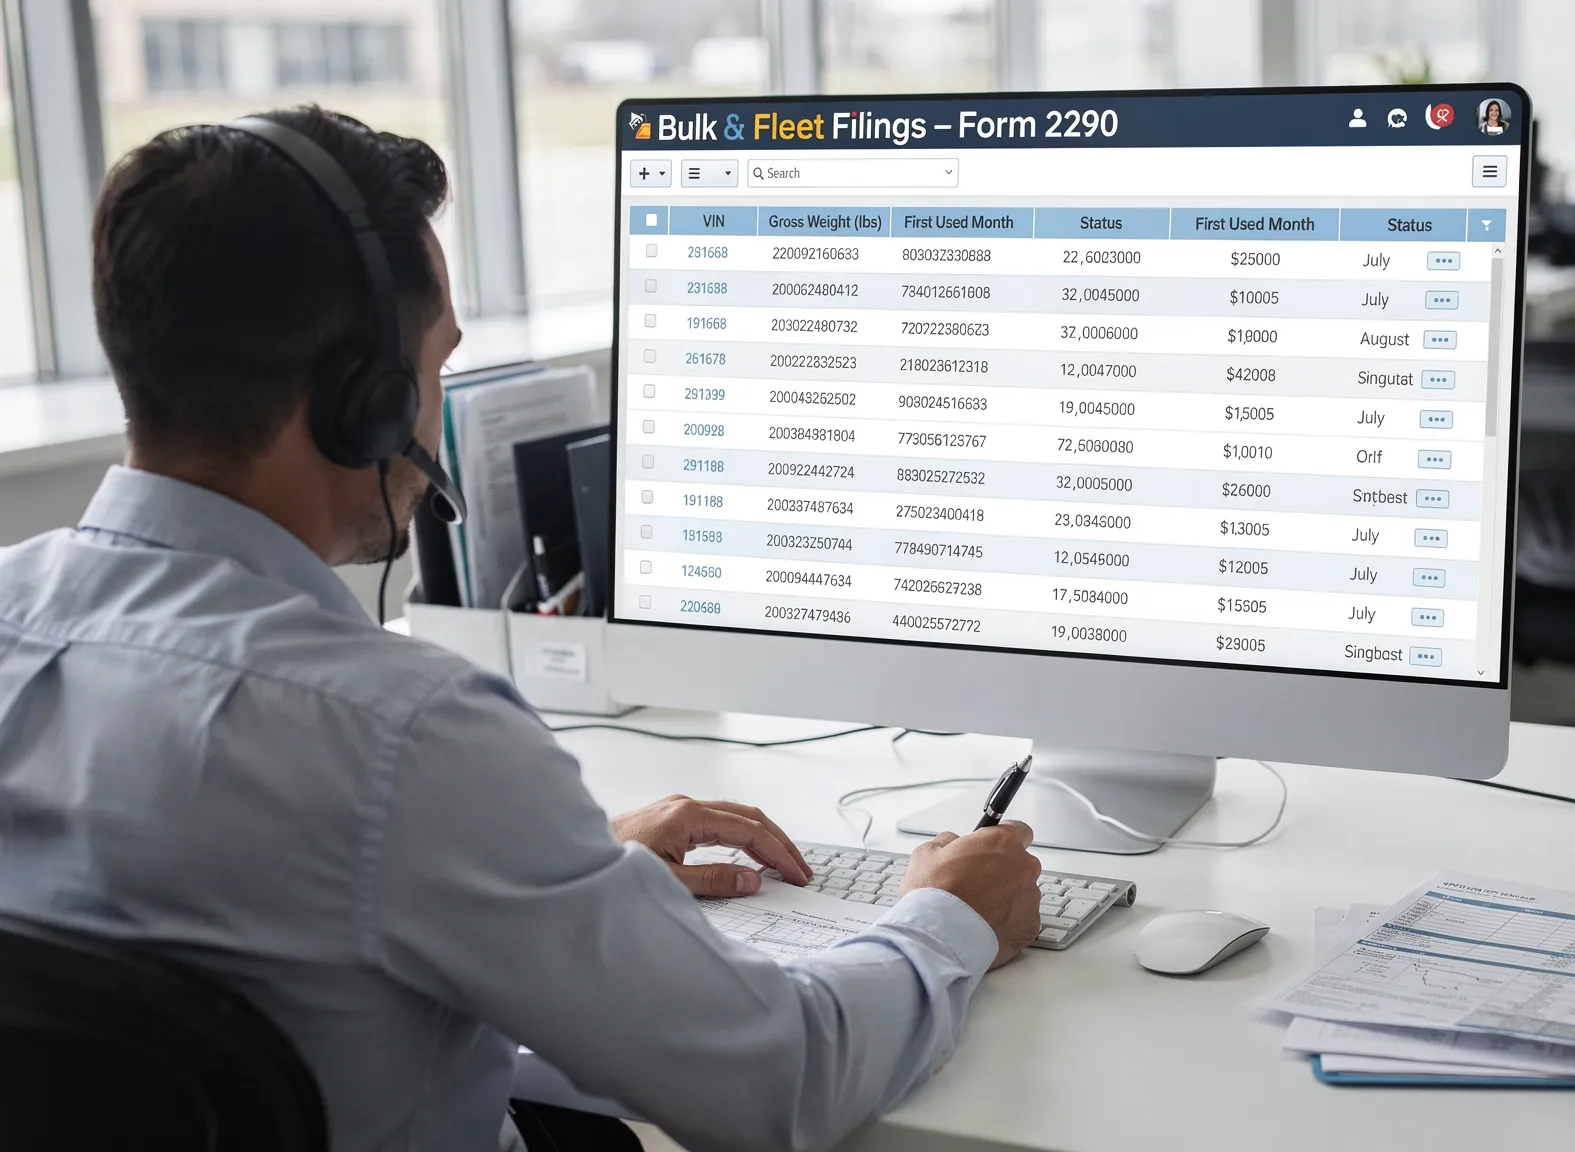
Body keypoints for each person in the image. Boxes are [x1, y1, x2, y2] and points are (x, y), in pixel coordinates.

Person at [0, 106, 1044, 1152]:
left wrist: (548, 867)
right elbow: (783, 1082)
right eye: (435, 360)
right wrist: (947, 916)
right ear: (359, 401)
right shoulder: (403, 738)